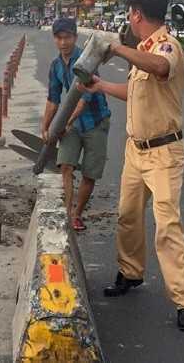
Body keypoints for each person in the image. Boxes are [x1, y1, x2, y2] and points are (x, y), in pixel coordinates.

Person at [78, 0, 184, 332]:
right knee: (128, 216)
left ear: (136, 14)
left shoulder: (166, 46)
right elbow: (135, 93)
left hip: (163, 152)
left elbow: (161, 67)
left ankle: (183, 301)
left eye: (130, 14)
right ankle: (130, 273)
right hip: (136, 149)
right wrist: (101, 86)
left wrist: (117, 48)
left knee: (167, 226)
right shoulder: (143, 49)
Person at [40, 17, 111, 232]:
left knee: (90, 173)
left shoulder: (86, 61)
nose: (64, 43)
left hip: (95, 121)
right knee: (66, 166)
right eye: (59, 38)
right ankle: (67, 211)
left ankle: (77, 213)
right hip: (72, 124)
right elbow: (53, 99)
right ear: (54, 39)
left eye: (68, 37)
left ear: (74, 36)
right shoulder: (55, 66)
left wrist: (63, 124)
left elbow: (83, 100)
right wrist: (46, 126)